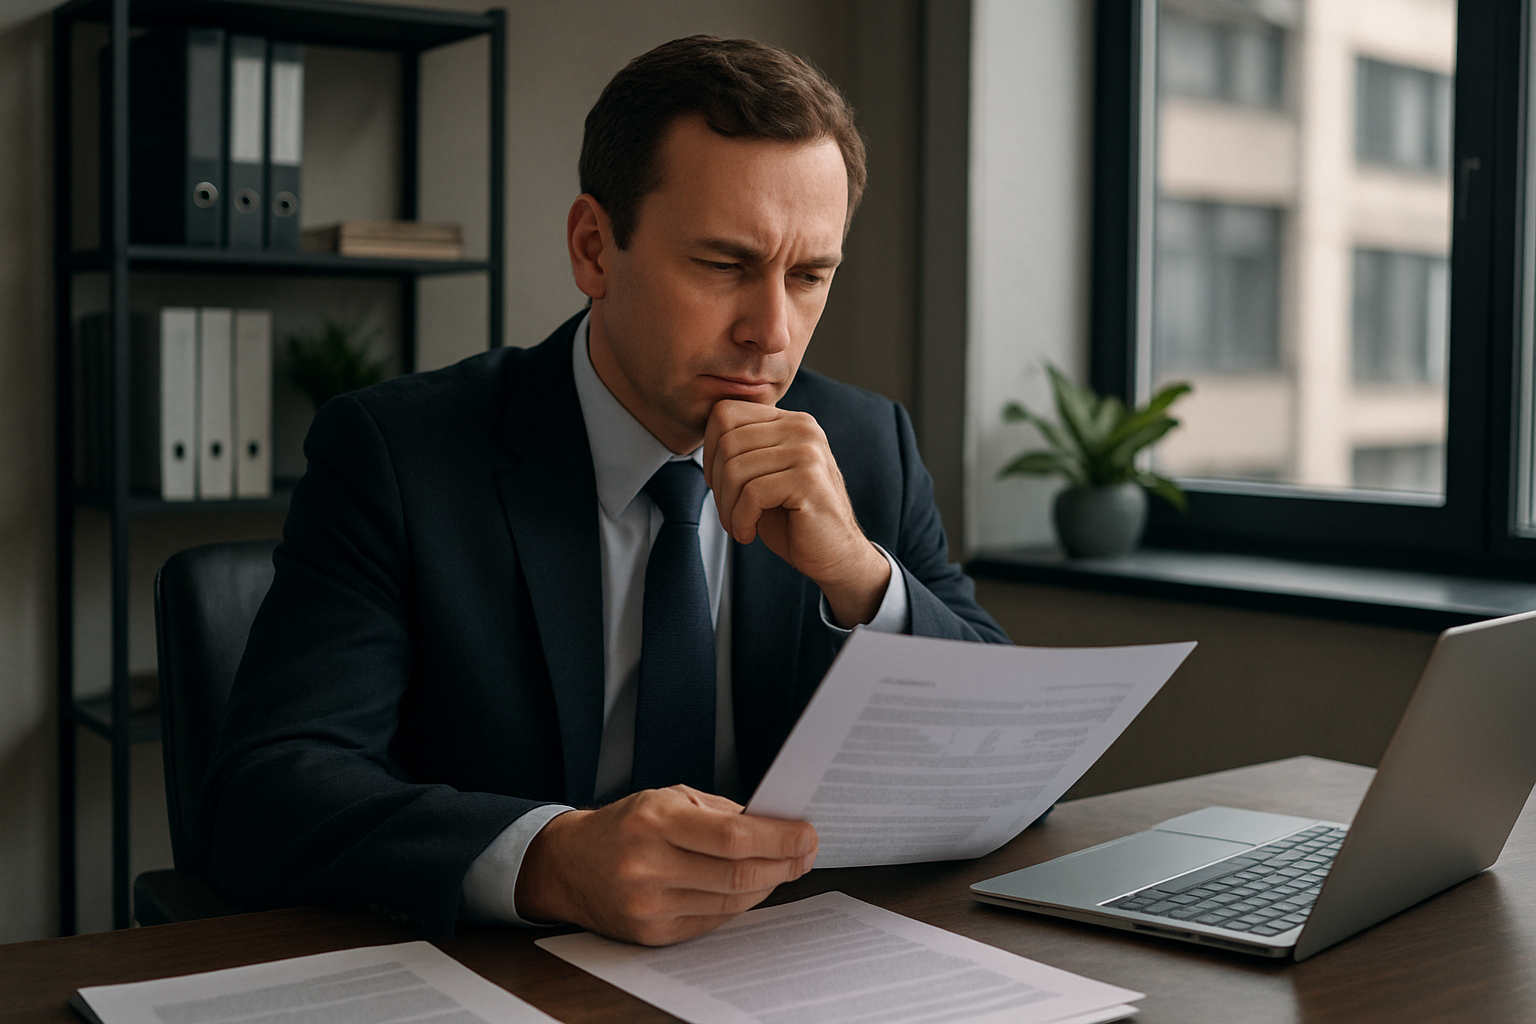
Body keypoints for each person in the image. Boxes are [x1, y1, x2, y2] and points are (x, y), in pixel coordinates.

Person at [203, 35, 1008, 948]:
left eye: (808, 275)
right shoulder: (397, 454)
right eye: (723, 265)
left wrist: (864, 580)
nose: (770, 332)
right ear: (595, 248)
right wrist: (549, 858)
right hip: (506, 971)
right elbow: (267, 790)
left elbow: (1007, 750)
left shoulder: (865, 446)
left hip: (785, 966)